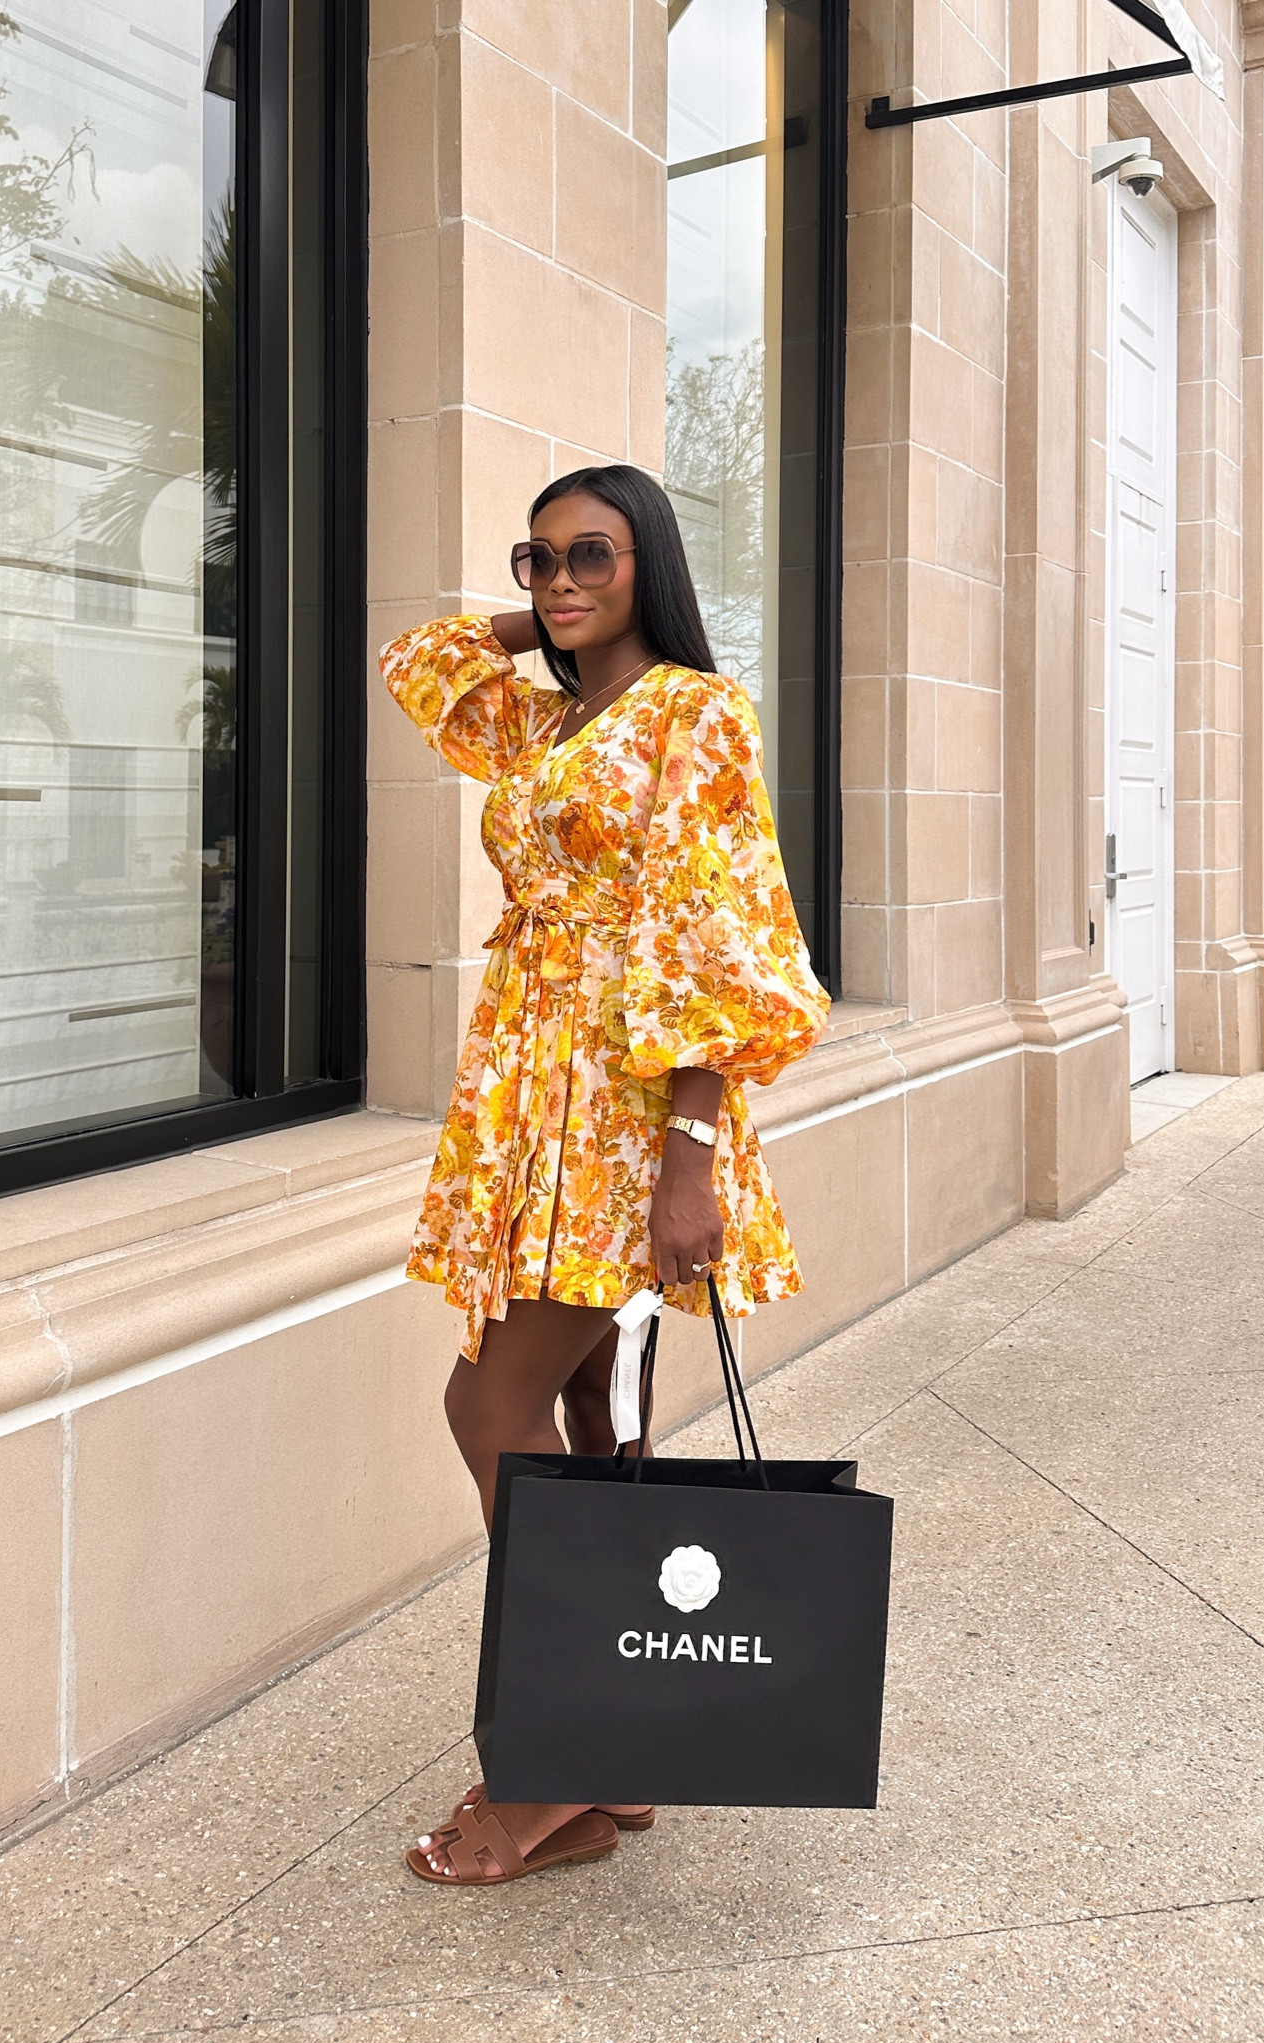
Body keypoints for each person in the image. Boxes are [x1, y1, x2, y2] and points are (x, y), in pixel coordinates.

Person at [383, 464, 829, 1886]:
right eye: (540, 558)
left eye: (594, 556)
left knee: (488, 1395)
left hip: (632, 1108)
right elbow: (418, 664)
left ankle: (557, 1751)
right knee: (584, 1413)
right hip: (531, 1092)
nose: (561, 579)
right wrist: (539, 625)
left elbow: (721, 940)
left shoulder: (696, 717)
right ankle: (620, 1747)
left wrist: (690, 1161)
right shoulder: (545, 714)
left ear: (655, 566)